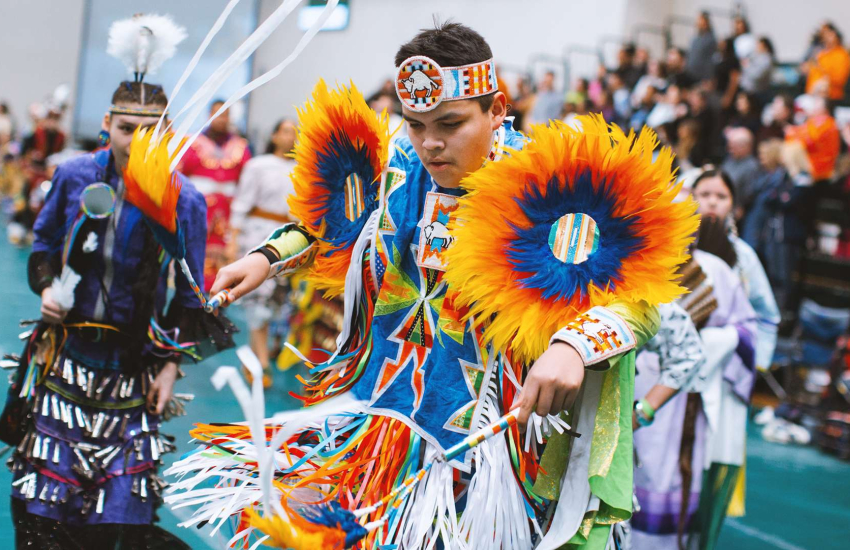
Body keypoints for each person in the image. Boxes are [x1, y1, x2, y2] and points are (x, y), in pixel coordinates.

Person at [168, 22, 698, 550]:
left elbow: (641, 298)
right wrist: (268, 258)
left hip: (495, 454)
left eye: (451, 123)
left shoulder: (546, 186)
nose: (430, 143)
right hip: (380, 425)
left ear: (496, 109)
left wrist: (573, 346)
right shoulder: (399, 170)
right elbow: (333, 226)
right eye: (415, 125)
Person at [2, 14, 232, 549]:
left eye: (151, 130)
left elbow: (190, 293)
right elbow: (43, 246)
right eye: (128, 129)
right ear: (107, 123)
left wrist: (170, 366)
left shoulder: (184, 200)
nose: (137, 141)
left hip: (133, 371)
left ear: (167, 131)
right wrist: (46, 289)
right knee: (42, 510)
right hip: (65, 358)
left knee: (119, 518)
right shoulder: (74, 175)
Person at [229, 119, 298, 387]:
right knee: (258, 298)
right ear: (274, 135)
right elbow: (241, 202)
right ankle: (261, 362)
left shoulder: (303, 169)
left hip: (290, 240)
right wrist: (233, 240)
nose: (290, 137)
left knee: (275, 302)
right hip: (258, 236)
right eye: (286, 131)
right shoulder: (258, 165)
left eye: (295, 133)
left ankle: (255, 357)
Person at [179, 99, 252, 292]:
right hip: (197, 211)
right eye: (217, 114)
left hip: (228, 214)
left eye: (225, 115)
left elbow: (247, 184)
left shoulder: (241, 147)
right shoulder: (191, 143)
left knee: (225, 262)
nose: (221, 119)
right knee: (193, 257)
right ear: (209, 115)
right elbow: (179, 177)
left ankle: (218, 298)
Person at [802, 22, 850, 102]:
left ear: (835, 35)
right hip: (812, 95)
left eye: (828, 34)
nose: (825, 37)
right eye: (823, 34)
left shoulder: (842, 54)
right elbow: (810, 70)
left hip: (830, 97)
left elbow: (839, 79)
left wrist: (821, 69)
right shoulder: (821, 54)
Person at [720, 127, 760, 216]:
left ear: (746, 146)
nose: (729, 150)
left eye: (733, 147)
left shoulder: (752, 167)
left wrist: (741, 207)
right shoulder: (730, 160)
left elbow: (749, 193)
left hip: (737, 210)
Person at [686, 12, 718, 83]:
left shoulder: (710, 39)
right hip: (691, 74)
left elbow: (711, 58)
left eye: (701, 21)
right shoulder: (695, 39)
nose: (698, 23)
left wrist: (708, 78)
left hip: (703, 77)